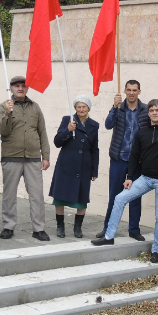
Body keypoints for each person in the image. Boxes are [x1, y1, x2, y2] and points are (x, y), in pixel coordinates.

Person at [92, 99, 158, 262]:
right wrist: (129, 177)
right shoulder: (142, 132)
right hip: (145, 178)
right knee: (119, 198)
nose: (154, 113)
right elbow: (134, 156)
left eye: (157, 110)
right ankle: (109, 236)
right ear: (148, 113)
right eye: (152, 110)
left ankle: (155, 250)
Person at [0, 76, 51, 241]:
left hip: (33, 158)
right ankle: (8, 226)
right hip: (11, 157)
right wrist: (8, 113)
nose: (20, 88)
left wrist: (45, 156)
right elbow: (2, 131)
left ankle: (38, 229)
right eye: (17, 86)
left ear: (27, 88)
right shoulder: (4, 106)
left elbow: (42, 132)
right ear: (11, 89)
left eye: (23, 86)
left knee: (37, 195)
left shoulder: (35, 107)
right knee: (9, 194)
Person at [96, 80, 149, 241]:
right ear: (125, 91)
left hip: (138, 160)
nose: (131, 93)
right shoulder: (118, 108)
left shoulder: (145, 110)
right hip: (119, 157)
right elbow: (108, 125)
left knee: (135, 196)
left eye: (134, 90)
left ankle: (134, 229)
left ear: (139, 91)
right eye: (129, 90)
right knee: (114, 195)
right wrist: (114, 107)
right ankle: (107, 228)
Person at [49, 95, 99, 238]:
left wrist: (94, 170)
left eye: (84, 107)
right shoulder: (68, 120)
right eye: (78, 107)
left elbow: (94, 149)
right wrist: (68, 130)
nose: (81, 109)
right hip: (66, 164)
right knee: (60, 196)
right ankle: (60, 226)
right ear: (75, 108)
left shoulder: (94, 125)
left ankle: (78, 228)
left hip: (84, 166)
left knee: (82, 198)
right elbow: (57, 142)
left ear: (88, 108)